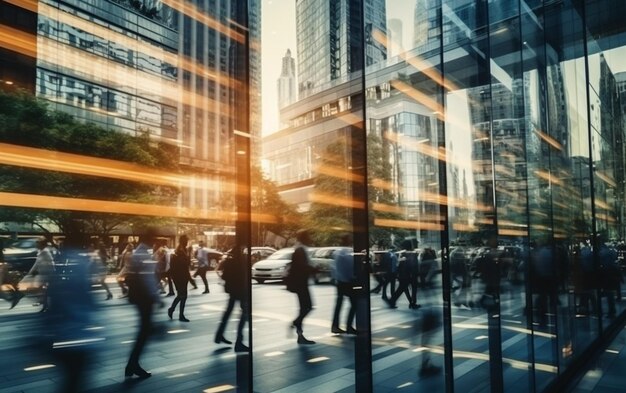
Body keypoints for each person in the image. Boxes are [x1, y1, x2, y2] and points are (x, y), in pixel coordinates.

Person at [125, 229, 163, 378]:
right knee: (144, 332)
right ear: (149, 239)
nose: (155, 241)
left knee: (144, 331)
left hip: (140, 296)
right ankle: (133, 365)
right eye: (154, 238)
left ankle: (132, 365)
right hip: (144, 297)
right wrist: (157, 298)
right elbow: (148, 279)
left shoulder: (139, 251)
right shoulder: (144, 253)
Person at [214, 247, 249, 352]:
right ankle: (239, 341)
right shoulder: (243, 260)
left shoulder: (229, 260)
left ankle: (219, 334)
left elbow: (224, 276)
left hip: (232, 290)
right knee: (244, 314)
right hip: (241, 290)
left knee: (228, 312)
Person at [289, 229, 317, 344]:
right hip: (301, 284)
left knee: (304, 308)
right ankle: (296, 323)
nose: (311, 238)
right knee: (308, 306)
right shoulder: (300, 250)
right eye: (309, 236)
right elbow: (302, 267)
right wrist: (315, 269)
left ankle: (300, 335)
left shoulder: (300, 249)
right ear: (304, 237)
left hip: (301, 283)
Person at [13, 237, 55, 311]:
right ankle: (44, 304)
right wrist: (32, 272)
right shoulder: (41, 251)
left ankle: (22, 295)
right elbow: (38, 263)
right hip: (43, 273)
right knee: (41, 289)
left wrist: (31, 272)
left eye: (38, 244)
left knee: (36, 287)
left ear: (42, 245)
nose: (36, 245)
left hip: (46, 273)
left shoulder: (44, 252)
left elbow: (39, 263)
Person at [331, 234, 356, 334]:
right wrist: (353, 278)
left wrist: (334, 278)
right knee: (354, 304)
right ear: (348, 241)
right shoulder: (348, 253)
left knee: (339, 304)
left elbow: (333, 266)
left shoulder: (336, 252)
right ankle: (349, 326)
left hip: (339, 281)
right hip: (347, 282)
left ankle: (335, 326)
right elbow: (350, 268)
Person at [168, 235, 191, 322]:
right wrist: (188, 257)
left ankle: (172, 309)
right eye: (186, 241)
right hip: (180, 276)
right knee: (183, 296)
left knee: (181, 295)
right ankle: (181, 315)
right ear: (183, 241)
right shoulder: (180, 251)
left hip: (182, 276)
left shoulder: (181, 250)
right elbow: (184, 263)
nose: (187, 242)